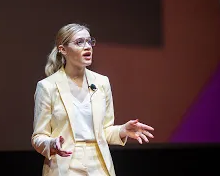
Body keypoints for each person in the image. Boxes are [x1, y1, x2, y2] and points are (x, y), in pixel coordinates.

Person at [31, 23, 154, 176]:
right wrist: (51, 144)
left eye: (89, 41)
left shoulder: (102, 82)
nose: (87, 47)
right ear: (63, 49)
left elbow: (105, 131)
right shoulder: (47, 86)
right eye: (79, 42)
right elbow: (38, 137)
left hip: (99, 164)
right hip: (65, 164)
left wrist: (122, 130)